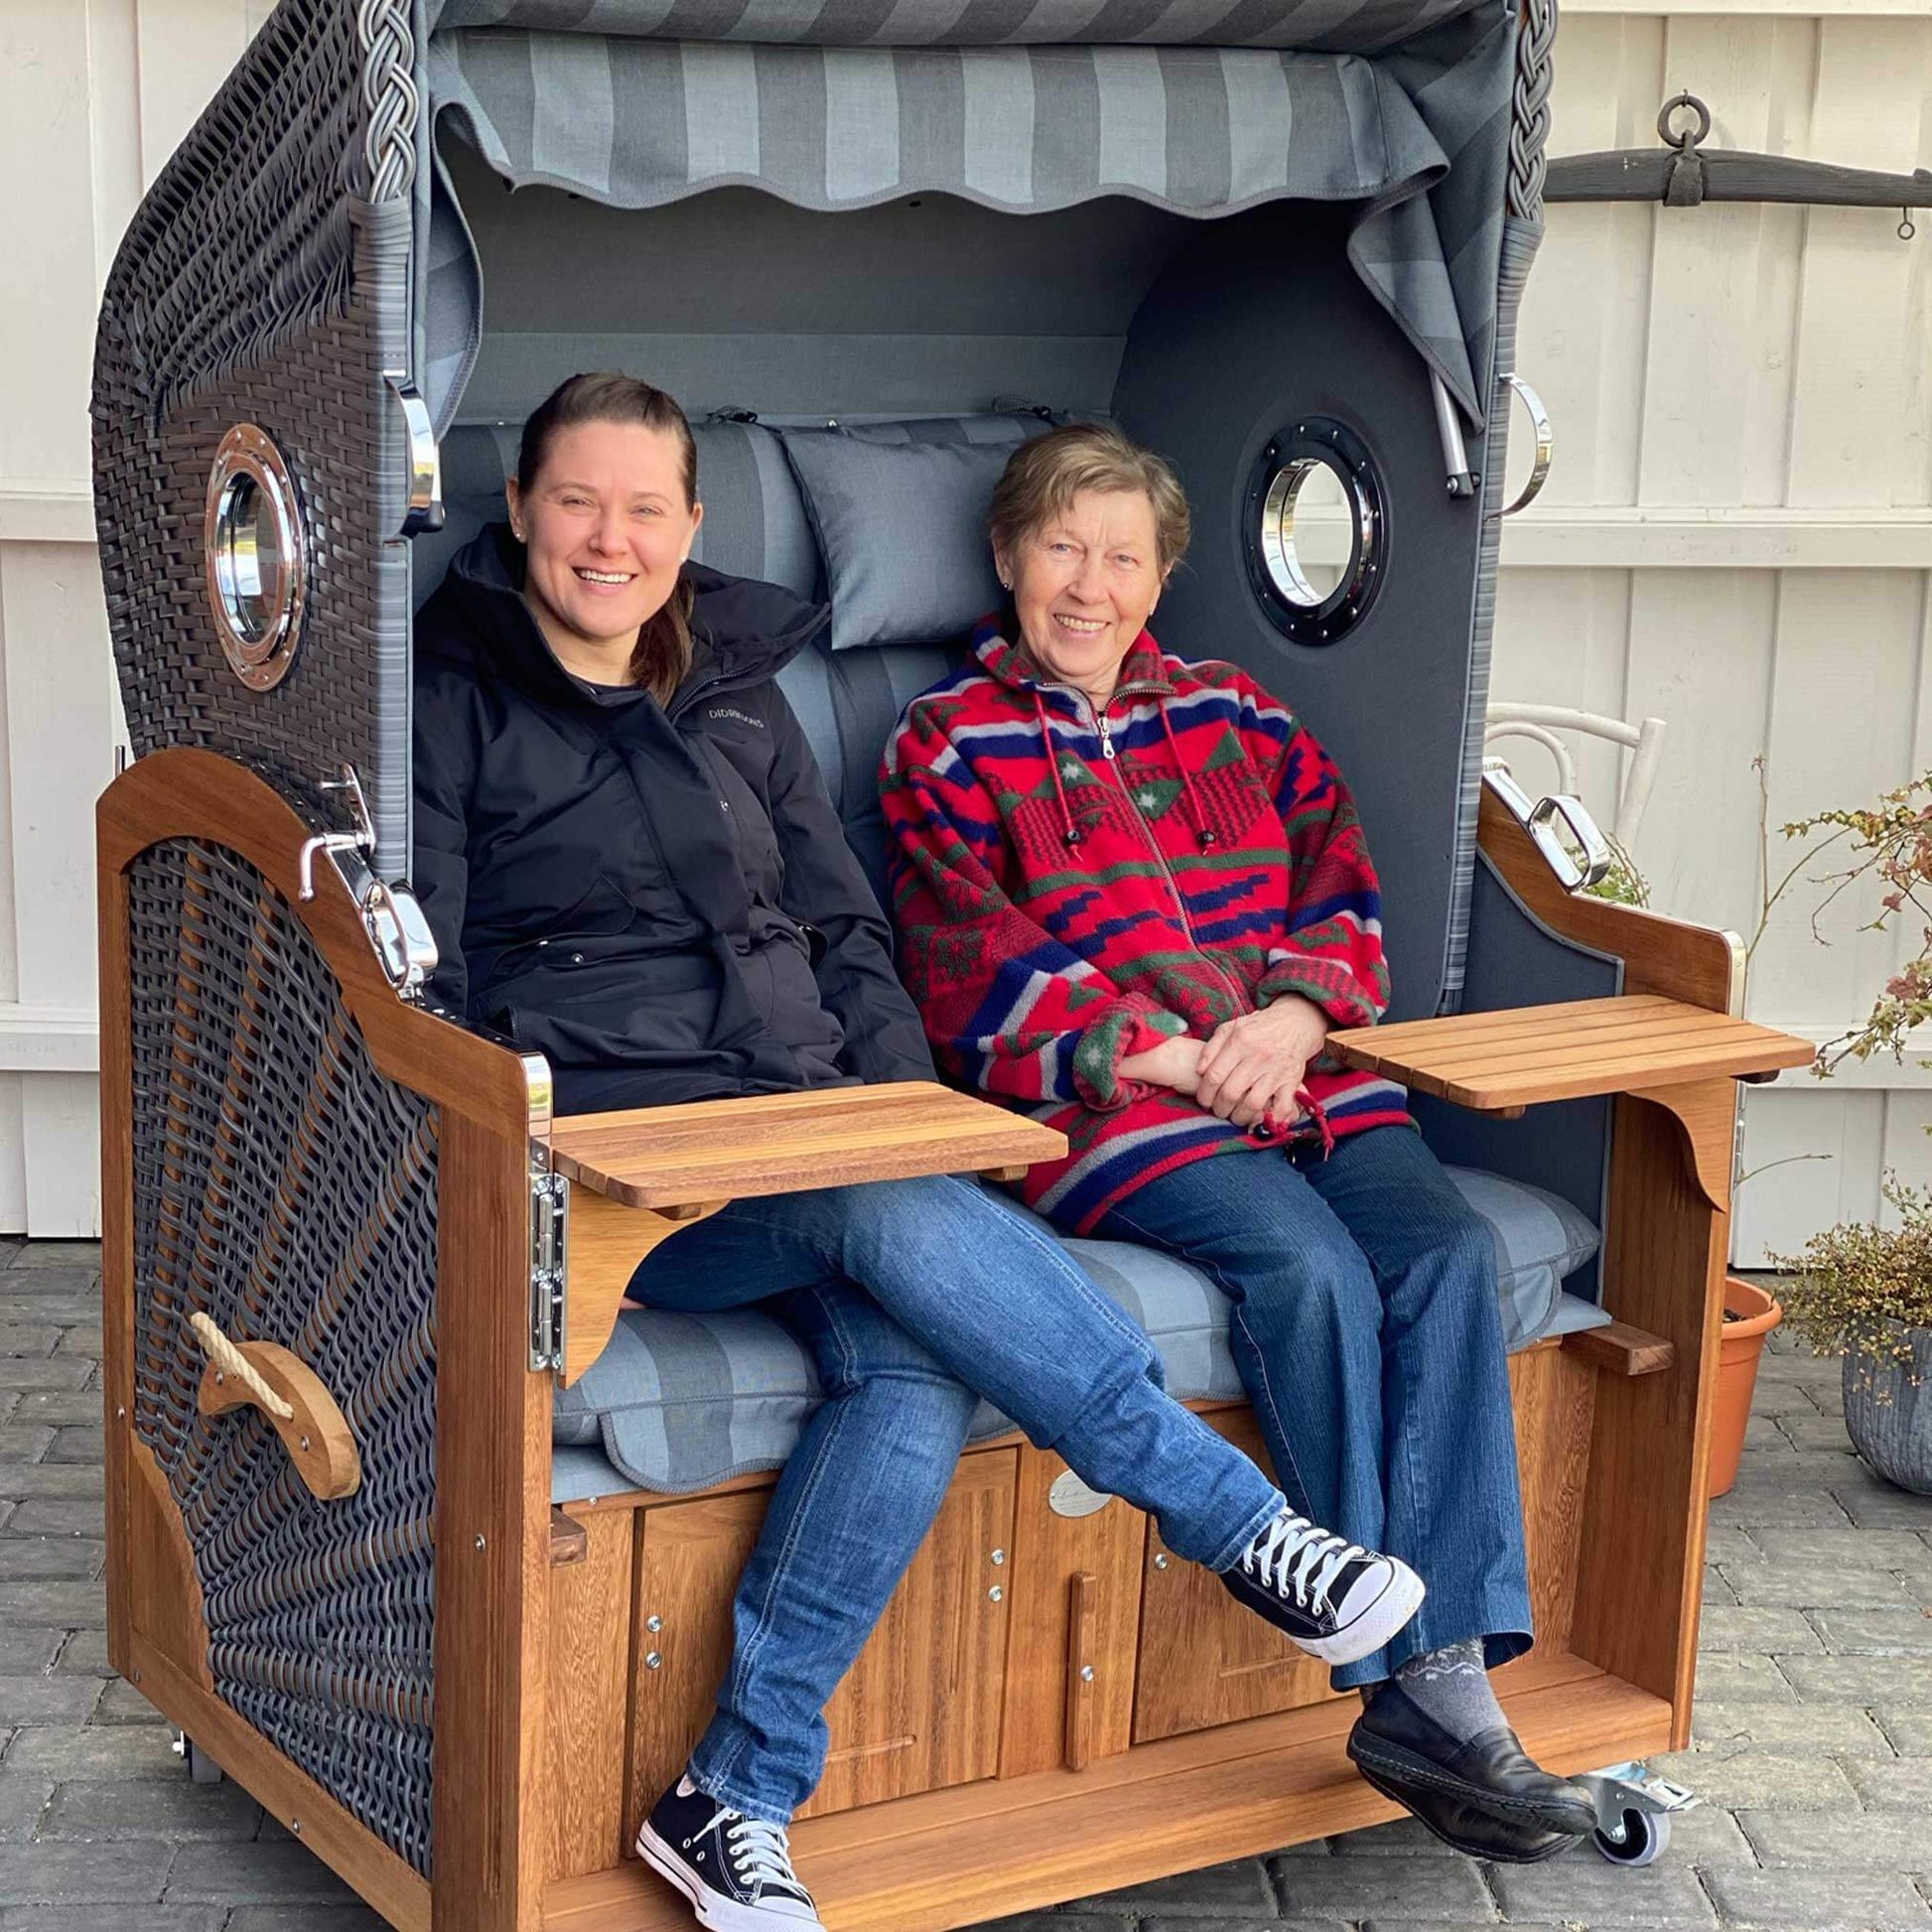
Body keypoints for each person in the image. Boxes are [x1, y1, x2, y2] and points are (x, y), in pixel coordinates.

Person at [412, 372, 1425, 1932]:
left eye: (642, 509)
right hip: (620, 1165)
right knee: (872, 1194)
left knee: (908, 1359)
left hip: (814, 1136)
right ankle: (1241, 1524)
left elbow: (843, 930)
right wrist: (535, 1135)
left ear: (689, 527)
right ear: (524, 511)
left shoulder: (736, 690)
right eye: (576, 503)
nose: (607, 539)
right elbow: (429, 980)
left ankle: (730, 1795)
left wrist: (905, 1113)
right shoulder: (448, 694)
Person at [881, 421, 1600, 1862]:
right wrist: (1174, 1058)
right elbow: (962, 960)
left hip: (1303, 1074)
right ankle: (1415, 1681)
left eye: (1122, 556)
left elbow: (1339, 883)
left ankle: (1435, 1676)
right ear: (1008, 555)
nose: (1089, 585)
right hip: (1105, 1107)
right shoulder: (945, 740)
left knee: (1446, 1249)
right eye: (1063, 547)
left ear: (1159, 580)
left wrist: (1285, 1017)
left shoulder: (1238, 712)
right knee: (1305, 1265)